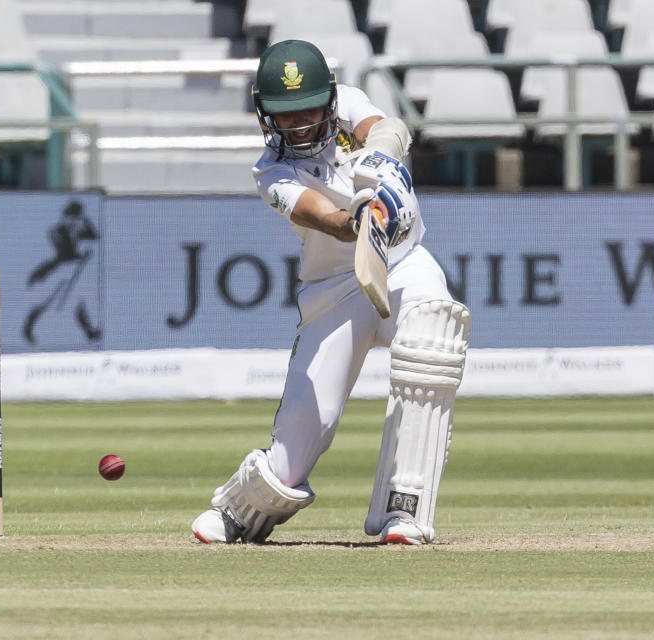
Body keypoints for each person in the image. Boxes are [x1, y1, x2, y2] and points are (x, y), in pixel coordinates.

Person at [191, 40, 471, 545]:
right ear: (265, 114)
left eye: (308, 110)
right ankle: (241, 509)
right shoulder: (270, 172)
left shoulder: (353, 105)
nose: (298, 125)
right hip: (334, 289)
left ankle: (403, 511)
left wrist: (380, 174)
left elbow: (389, 130)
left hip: (403, 263)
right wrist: (353, 220)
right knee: (303, 430)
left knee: (432, 335)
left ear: (332, 98)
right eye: (285, 115)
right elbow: (314, 214)